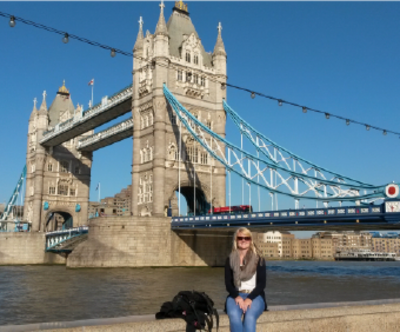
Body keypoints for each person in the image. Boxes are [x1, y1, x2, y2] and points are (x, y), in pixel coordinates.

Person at [225, 227, 267, 332]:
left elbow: (262, 284)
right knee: (234, 315)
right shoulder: (230, 259)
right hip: (236, 295)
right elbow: (228, 283)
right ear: (236, 240)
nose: (243, 240)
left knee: (250, 316)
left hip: (255, 296)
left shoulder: (259, 258)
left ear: (250, 240)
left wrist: (249, 298)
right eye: (240, 238)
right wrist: (237, 297)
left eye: (246, 238)